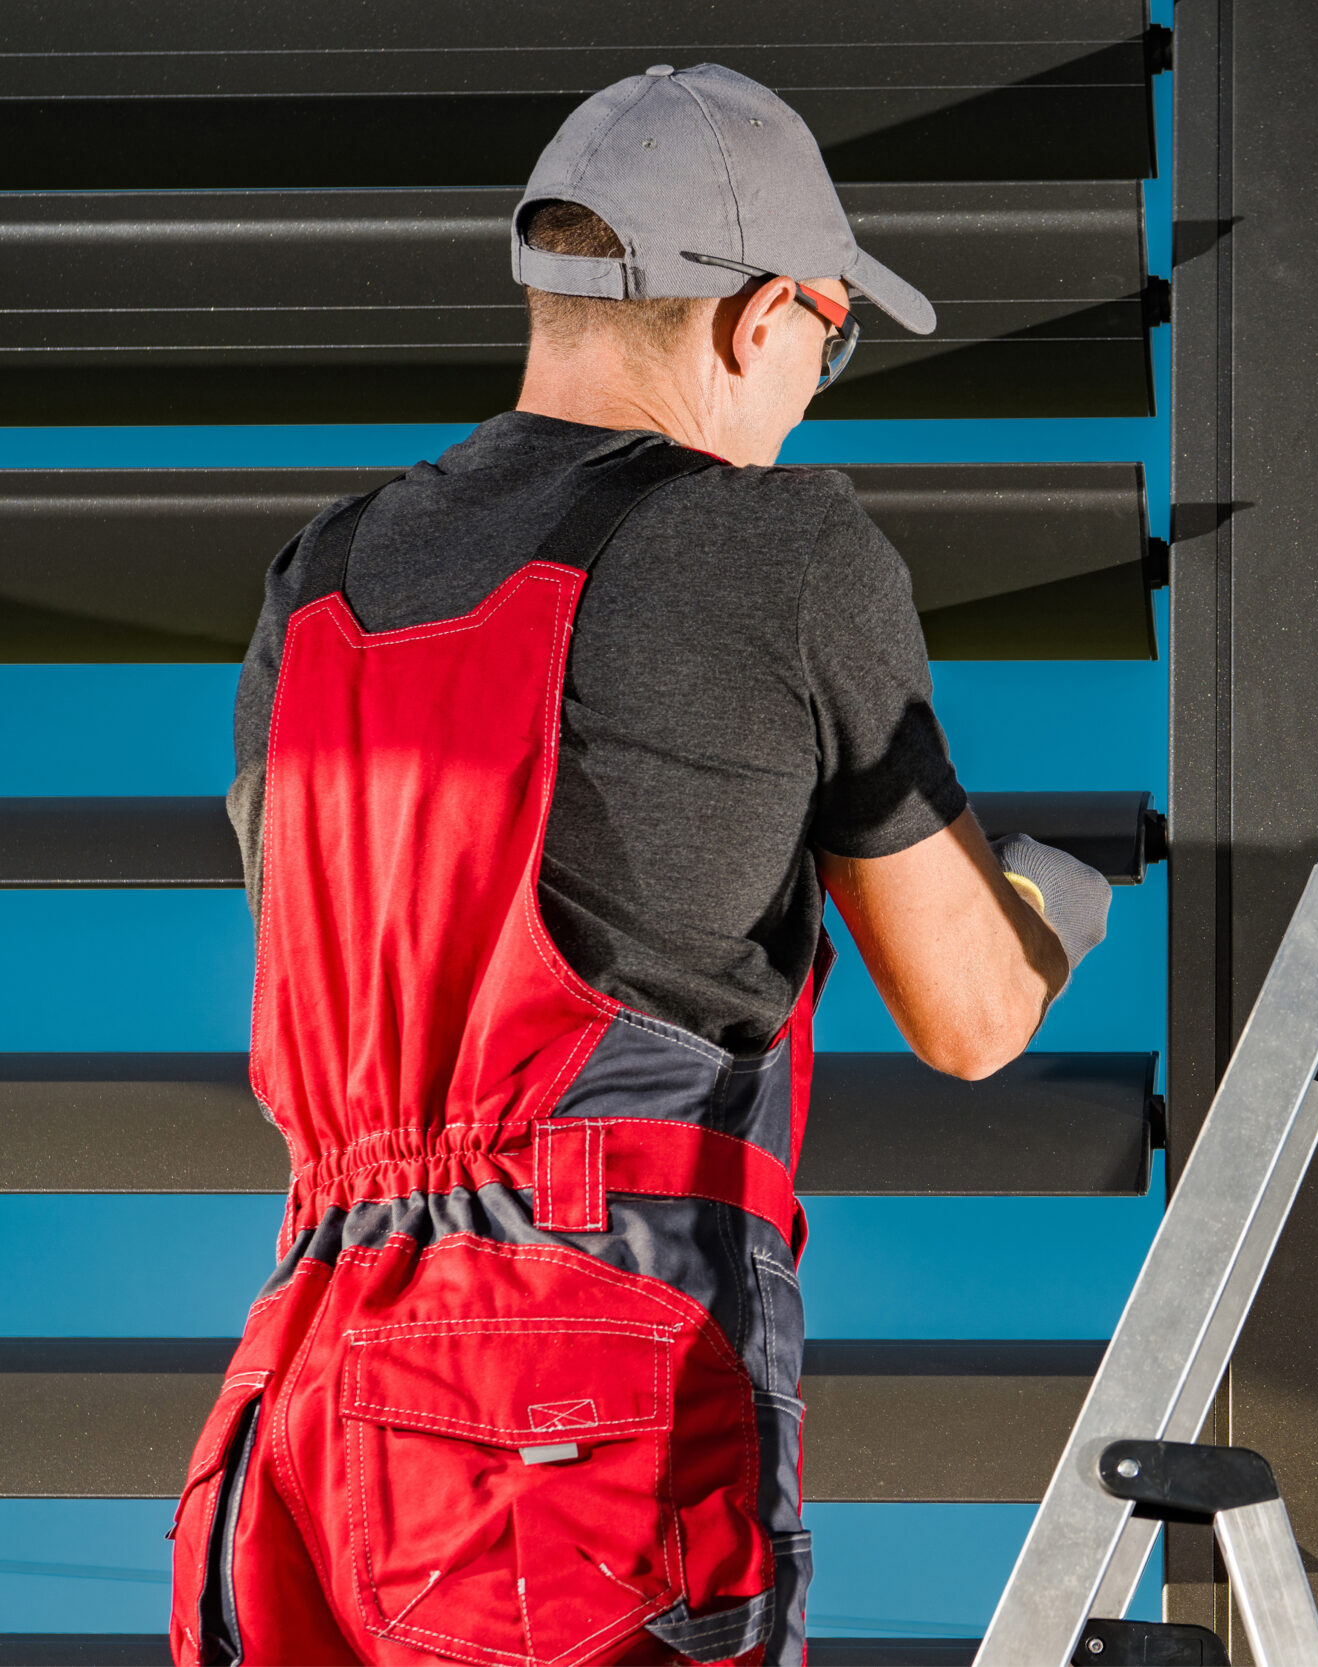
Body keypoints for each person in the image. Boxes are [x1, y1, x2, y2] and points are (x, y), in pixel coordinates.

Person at [165, 62, 1110, 1667]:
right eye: (833, 332)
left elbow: (357, 937)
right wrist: (1053, 903)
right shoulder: (782, 545)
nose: (818, 380)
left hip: (299, 1403)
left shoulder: (313, 580)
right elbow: (969, 1014)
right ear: (756, 318)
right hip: (564, 1409)